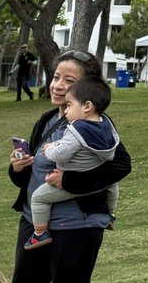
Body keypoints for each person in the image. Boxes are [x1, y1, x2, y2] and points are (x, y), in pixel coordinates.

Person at [7, 49, 132, 283]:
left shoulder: (96, 127)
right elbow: (31, 175)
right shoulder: (49, 118)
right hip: (35, 221)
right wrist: (18, 169)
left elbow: (121, 166)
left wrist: (72, 181)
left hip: (77, 227)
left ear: (88, 92)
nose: (58, 85)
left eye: (69, 81)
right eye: (56, 76)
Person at [24, 75, 120, 250]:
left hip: (70, 184)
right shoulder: (105, 126)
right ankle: (111, 214)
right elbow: (111, 156)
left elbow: (62, 154)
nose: (66, 111)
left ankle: (39, 233)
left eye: (69, 105)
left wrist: (49, 150)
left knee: (38, 198)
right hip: (101, 184)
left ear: (87, 106)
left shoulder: (77, 130)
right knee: (113, 185)